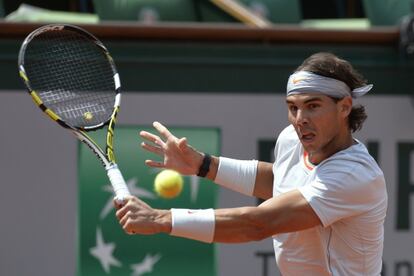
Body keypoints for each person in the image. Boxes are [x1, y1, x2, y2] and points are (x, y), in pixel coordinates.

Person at [115, 52, 387, 275]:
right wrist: (203, 164)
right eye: (293, 107)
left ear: (345, 107)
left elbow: (259, 224)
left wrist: (162, 219)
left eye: (313, 106)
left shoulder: (355, 175)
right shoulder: (293, 138)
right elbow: (281, 182)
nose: (300, 119)